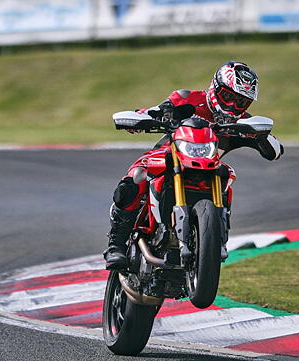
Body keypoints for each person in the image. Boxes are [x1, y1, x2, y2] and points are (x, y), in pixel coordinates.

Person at [104, 61, 284, 270]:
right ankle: (116, 244)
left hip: (209, 167)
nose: (233, 106)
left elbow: (276, 151)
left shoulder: (242, 122)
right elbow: (153, 111)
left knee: (227, 176)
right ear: (215, 87)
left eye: (241, 102)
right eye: (228, 97)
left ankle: (214, 239)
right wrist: (141, 118)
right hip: (170, 156)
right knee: (137, 175)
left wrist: (260, 135)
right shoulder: (187, 99)